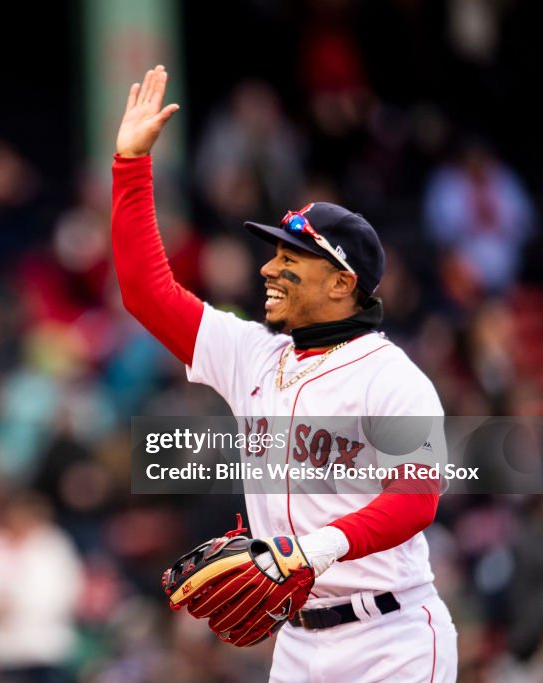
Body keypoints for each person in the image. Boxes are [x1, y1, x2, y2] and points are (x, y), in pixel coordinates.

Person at [111, 65, 457, 682]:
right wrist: (131, 166)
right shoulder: (252, 352)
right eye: (273, 253)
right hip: (297, 646)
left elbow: (416, 497)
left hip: (393, 640)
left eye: (290, 256)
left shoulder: (392, 376)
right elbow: (145, 292)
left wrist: (309, 550)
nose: (270, 268)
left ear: (342, 282)